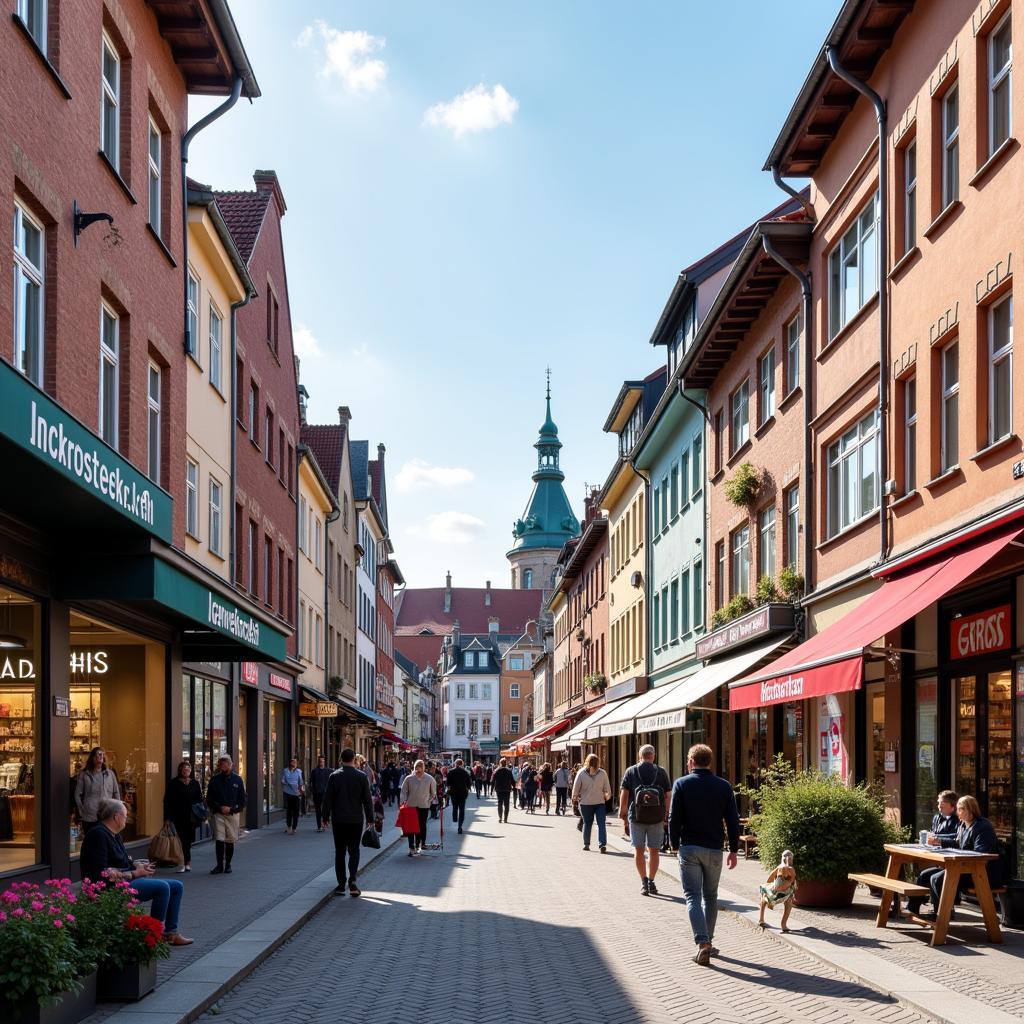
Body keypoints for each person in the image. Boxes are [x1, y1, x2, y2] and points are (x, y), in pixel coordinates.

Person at [80, 798, 193, 945]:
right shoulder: (98, 835)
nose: (126, 820)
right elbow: (102, 872)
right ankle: (152, 935)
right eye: (125, 816)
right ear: (116, 816)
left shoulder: (115, 835)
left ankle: (171, 933)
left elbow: (123, 862)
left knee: (177, 886)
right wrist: (135, 873)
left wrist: (138, 866)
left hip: (125, 881)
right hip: (108, 889)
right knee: (162, 888)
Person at [668, 743, 740, 966]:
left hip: (689, 847)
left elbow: (674, 818)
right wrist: (734, 849)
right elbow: (732, 820)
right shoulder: (724, 786)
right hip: (714, 849)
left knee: (692, 897)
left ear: (691, 761)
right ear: (710, 762)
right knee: (711, 896)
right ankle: (709, 940)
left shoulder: (681, 784)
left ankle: (702, 943)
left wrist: (673, 844)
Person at [909, 794, 1003, 918]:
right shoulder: (963, 825)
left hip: (982, 872)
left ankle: (941, 915)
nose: (957, 812)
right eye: (958, 808)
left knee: (937, 878)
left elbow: (981, 854)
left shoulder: (982, 827)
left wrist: (955, 854)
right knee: (925, 875)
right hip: (963, 868)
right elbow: (957, 841)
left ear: (970, 809)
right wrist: (939, 841)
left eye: (960, 809)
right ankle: (912, 910)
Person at [620, 744, 672, 896]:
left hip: (636, 816)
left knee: (639, 849)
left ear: (639, 755)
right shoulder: (661, 771)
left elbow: (624, 793)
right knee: (654, 850)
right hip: (656, 817)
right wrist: (665, 813)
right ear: (653, 756)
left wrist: (623, 814)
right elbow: (668, 795)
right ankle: (651, 880)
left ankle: (643, 882)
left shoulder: (631, 771)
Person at [321, 748, 374, 896]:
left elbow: (327, 799)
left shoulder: (334, 776)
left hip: (339, 820)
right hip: (356, 820)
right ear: (353, 760)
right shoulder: (362, 776)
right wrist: (370, 819)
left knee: (340, 852)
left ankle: (340, 884)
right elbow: (367, 801)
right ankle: (353, 880)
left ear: (341, 759)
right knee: (354, 851)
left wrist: (324, 818)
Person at [206, 755, 246, 874]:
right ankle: (219, 865)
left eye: (225, 764)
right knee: (219, 839)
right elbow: (209, 798)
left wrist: (232, 809)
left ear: (230, 765)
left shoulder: (238, 780)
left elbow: (242, 799)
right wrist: (219, 807)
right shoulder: (214, 780)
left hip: (232, 815)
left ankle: (228, 865)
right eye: (221, 764)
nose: (223, 766)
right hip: (218, 814)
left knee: (230, 840)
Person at [163, 760, 203, 873]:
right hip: (178, 816)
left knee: (189, 840)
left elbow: (199, 798)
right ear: (180, 770)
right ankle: (185, 863)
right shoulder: (173, 783)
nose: (187, 771)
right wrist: (167, 817)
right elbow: (167, 801)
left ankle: (187, 862)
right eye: (184, 769)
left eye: (188, 769)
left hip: (191, 817)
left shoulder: (195, 783)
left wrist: (200, 811)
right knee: (181, 840)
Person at [571, 753, 612, 852]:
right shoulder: (602, 773)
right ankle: (602, 844)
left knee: (587, 823)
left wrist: (574, 799)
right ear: (598, 762)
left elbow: (575, 789)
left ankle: (586, 844)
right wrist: (606, 797)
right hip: (599, 803)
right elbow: (608, 790)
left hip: (585, 803)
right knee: (601, 824)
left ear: (587, 761)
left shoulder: (581, 773)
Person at [75, 747, 120, 834]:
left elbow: (116, 792)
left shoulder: (110, 774)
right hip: (90, 815)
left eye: (102, 754)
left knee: (105, 842)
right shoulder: (84, 774)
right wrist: (81, 809)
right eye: (97, 754)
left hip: (107, 814)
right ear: (92, 758)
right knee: (91, 841)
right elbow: (77, 794)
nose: (100, 756)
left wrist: (117, 809)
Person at [400, 759, 436, 856]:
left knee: (421, 826)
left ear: (423, 768)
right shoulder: (409, 778)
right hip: (411, 806)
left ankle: (419, 844)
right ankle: (411, 847)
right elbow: (403, 791)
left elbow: (433, 793)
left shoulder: (429, 779)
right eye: (416, 769)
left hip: (424, 806)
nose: (418, 771)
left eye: (420, 769)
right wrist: (403, 801)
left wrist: (428, 801)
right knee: (411, 827)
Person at [758, 850, 797, 931]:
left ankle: (761, 919)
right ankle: (783, 925)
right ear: (789, 859)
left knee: (764, 891)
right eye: (791, 859)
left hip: (775, 893)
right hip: (782, 893)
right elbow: (791, 883)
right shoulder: (790, 869)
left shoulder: (779, 867)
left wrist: (769, 886)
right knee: (789, 899)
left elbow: (769, 879)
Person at [446, 758, 472, 834]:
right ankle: (460, 826)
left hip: (454, 793)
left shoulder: (451, 772)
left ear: (455, 764)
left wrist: (449, 790)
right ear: (462, 764)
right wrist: (467, 788)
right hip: (462, 793)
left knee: (454, 807)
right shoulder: (465, 772)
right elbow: (468, 783)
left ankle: (455, 819)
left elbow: (448, 784)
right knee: (462, 809)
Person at [281, 757, 304, 835]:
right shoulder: (285, 771)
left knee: (296, 811)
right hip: (288, 792)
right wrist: (285, 782)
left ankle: (294, 827)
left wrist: (302, 790)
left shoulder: (299, 771)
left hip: (296, 793)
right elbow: (283, 780)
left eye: (296, 762)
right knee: (289, 811)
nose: (295, 763)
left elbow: (300, 782)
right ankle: (289, 826)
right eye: (293, 762)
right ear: (290, 763)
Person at [310, 756, 333, 832]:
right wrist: (312, 791)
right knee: (318, 810)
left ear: (324, 762)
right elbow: (311, 782)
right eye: (320, 761)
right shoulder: (314, 771)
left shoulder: (329, 771)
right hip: (317, 793)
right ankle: (319, 826)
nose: (321, 763)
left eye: (322, 761)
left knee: (325, 809)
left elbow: (332, 782)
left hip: (325, 793)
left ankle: (325, 822)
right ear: (318, 762)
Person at [492, 758, 515, 823]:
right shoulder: (509, 771)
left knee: (500, 803)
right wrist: (514, 787)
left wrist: (492, 790)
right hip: (507, 789)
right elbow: (512, 780)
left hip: (499, 789)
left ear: (500, 763)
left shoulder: (497, 771)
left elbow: (493, 780)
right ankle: (505, 819)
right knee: (506, 804)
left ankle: (500, 818)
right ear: (506, 764)